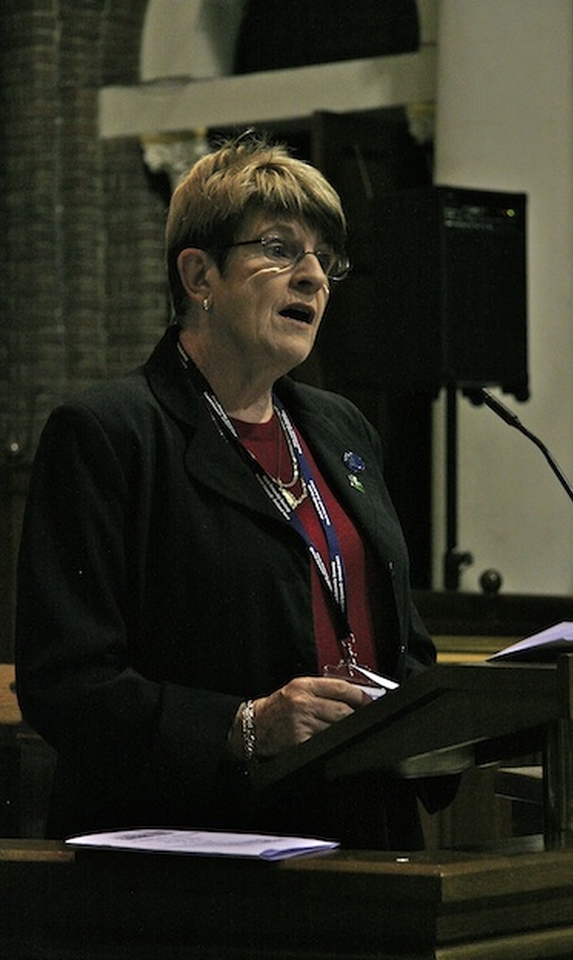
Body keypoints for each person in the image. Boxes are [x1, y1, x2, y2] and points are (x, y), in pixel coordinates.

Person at [16, 131, 455, 846]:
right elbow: (65, 681)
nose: (313, 276)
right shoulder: (109, 434)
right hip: (207, 852)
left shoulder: (340, 429)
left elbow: (401, 640)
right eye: (280, 248)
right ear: (199, 277)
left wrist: (449, 719)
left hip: (366, 833)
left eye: (324, 257)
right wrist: (242, 727)